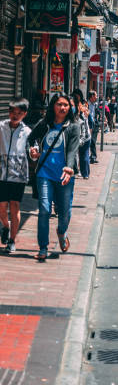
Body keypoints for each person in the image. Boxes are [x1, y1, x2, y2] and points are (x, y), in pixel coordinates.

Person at [28, 93, 80, 261]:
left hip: (65, 175)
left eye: (66, 105)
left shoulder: (73, 126)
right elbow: (31, 139)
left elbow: (72, 149)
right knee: (44, 209)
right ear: (53, 106)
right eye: (59, 104)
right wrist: (33, 150)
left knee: (65, 213)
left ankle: (61, 232)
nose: (63, 108)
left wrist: (69, 167)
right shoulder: (44, 124)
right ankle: (43, 247)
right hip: (44, 173)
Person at [0, 98, 31, 254]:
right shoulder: (1, 127)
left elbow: (33, 151)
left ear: (24, 114)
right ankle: (5, 226)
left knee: (14, 206)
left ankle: (12, 240)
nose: (15, 115)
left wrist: (33, 154)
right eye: (12, 112)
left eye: (19, 113)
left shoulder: (27, 132)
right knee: (1, 208)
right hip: (1, 173)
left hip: (18, 175)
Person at [78, 101, 91, 179]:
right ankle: (86, 173)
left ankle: (85, 173)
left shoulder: (82, 115)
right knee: (84, 155)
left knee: (83, 155)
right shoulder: (85, 114)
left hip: (84, 138)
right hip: (87, 137)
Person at [88, 91, 99, 164]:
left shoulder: (95, 105)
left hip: (94, 124)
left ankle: (93, 156)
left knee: (93, 141)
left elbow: (97, 113)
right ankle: (91, 156)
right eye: (95, 96)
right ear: (92, 96)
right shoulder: (86, 104)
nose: (96, 97)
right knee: (90, 141)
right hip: (88, 124)